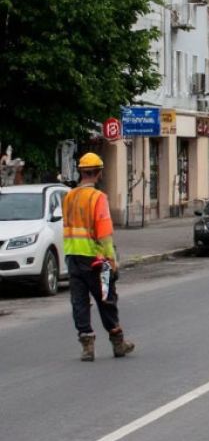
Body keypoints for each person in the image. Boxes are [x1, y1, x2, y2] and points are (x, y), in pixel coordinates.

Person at [62, 152, 134, 361]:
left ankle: (87, 346)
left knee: (79, 302)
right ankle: (118, 342)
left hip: (73, 257)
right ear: (99, 173)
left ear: (81, 172)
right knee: (106, 299)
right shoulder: (98, 198)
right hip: (96, 260)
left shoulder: (68, 197)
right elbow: (104, 234)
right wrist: (112, 261)